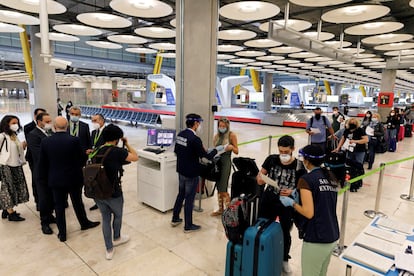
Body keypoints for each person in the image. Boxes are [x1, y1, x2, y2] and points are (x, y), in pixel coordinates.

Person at [279, 145, 339, 276]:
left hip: (317, 238)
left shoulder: (306, 180)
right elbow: (323, 200)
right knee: (321, 273)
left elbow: (308, 212)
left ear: (307, 161)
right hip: (332, 234)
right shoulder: (330, 176)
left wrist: (292, 203)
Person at [38, 116, 100, 242]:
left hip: (55, 179)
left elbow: (42, 163)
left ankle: (62, 233)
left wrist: (43, 178)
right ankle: (84, 223)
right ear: (66, 127)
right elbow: (82, 157)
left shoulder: (46, 142)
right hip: (73, 178)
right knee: (77, 202)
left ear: (54, 127)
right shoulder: (74, 140)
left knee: (59, 206)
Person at [256, 135, 305, 273]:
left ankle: (284, 259)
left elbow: (302, 187)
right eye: (281, 152)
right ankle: (262, 253)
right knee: (263, 226)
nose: (283, 155)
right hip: (269, 198)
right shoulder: (271, 159)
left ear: (293, 149)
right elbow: (260, 177)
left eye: (286, 152)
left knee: (285, 231)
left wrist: (292, 191)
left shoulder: (299, 165)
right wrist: (261, 179)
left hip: (286, 202)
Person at [91, 124, 138, 260]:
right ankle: (117, 237)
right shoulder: (117, 152)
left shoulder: (96, 150)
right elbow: (135, 157)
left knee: (105, 218)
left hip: (97, 191)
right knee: (117, 216)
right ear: (117, 138)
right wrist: (127, 144)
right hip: (113, 192)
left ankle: (109, 249)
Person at [171, 113, 222, 233]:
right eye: (199, 123)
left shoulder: (181, 135)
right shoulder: (195, 139)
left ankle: (175, 218)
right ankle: (188, 226)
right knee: (189, 199)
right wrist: (216, 150)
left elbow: (177, 151)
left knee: (181, 195)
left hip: (181, 170)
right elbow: (207, 157)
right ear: (195, 124)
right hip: (191, 173)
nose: (200, 126)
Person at [26, 112, 56, 235]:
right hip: (42, 172)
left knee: (51, 196)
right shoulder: (33, 135)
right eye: (47, 121)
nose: (50, 123)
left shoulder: (51, 133)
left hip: (53, 171)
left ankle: (50, 215)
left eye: (50, 121)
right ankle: (44, 222)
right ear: (39, 122)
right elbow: (39, 154)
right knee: (43, 197)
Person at [0, 115, 29, 221]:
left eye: (17, 122)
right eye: (13, 123)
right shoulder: (2, 136)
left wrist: (22, 146)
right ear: (6, 124)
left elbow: (17, 149)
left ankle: (6, 209)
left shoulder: (14, 135)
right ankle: (11, 213)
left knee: (15, 187)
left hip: (16, 165)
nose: (16, 125)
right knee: (8, 189)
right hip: (6, 166)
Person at [211, 117, 238, 216]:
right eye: (220, 126)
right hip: (218, 163)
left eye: (223, 126)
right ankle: (221, 209)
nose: (221, 128)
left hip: (226, 163)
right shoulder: (217, 136)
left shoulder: (231, 135)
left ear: (227, 126)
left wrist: (231, 147)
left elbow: (237, 151)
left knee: (223, 188)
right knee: (219, 187)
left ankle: (230, 212)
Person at [333, 118, 368, 192]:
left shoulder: (360, 130)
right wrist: (338, 148)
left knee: (358, 167)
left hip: (359, 151)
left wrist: (355, 141)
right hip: (349, 150)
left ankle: (358, 182)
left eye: (353, 122)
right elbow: (343, 139)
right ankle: (350, 182)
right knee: (349, 167)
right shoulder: (347, 130)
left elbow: (365, 139)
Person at [24, 107, 46, 210]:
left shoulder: (47, 128)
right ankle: (38, 201)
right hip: (33, 157)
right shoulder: (29, 127)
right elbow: (31, 144)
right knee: (36, 180)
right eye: (40, 115)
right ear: (36, 117)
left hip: (44, 158)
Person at [88, 113, 106, 211]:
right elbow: (92, 144)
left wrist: (96, 150)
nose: (93, 123)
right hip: (94, 160)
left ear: (102, 120)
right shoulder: (94, 132)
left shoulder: (108, 131)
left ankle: (106, 201)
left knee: (104, 181)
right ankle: (98, 202)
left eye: (95, 120)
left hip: (104, 160)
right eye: (92, 121)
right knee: (95, 182)